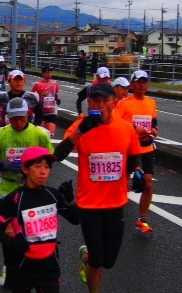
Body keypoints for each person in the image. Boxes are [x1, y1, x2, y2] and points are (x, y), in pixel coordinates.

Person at [53, 83, 141, 292]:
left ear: (114, 102)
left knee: (108, 261)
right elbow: (58, 155)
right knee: (98, 260)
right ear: (89, 102)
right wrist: (81, 131)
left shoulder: (125, 127)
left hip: (116, 201)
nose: (100, 105)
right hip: (89, 204)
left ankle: (86, 256)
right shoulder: (81, 126)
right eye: (96, 100)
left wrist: (137, 172)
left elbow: (134, 153)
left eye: (105, 100)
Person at [0, 97, 53, 286]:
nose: (18, 122)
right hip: (7, 190)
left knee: (31, 231)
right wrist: (5, 165)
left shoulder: (38, 135)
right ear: (7, 117)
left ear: (28, 116)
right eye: (14, 118)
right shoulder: (1, 135)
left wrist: (37, 172)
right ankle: (8, 267)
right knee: (9, 232)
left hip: (31, 190)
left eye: (21, 118)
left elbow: (49, 158)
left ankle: (32, 267)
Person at [0, 147, 79, 293]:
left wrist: (70, 201)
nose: (43, 171)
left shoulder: (53, 195)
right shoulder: (14, 199)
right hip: (22, 264)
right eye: (37, 166)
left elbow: (75, 220)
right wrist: (14, 244)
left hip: (49, 264)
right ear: (25, 169)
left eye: (47, 167)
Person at [114, 70, 158, 233]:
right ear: (132, 84)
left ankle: (142, 218)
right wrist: (133, 129)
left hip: (146, 148)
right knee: (122, 185)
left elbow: (153, 121)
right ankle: (116, 213)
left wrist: (154, 130)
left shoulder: (152, 103)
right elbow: (115, 123)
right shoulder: (124, 104)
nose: (142, 84)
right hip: (128, 149)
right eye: (138, 81)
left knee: (148, 184)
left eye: (144, 81)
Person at [31, 65, 61, 136]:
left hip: (52, 112)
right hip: (41, 112)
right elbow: (32, 96)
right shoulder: (38, 85)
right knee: (41, 134)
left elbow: (55, 95)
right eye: (46, 72)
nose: (48, 73)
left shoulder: (55, 84)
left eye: (50, 72)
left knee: (50, 134)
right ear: (42, 74)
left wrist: (57, 99)